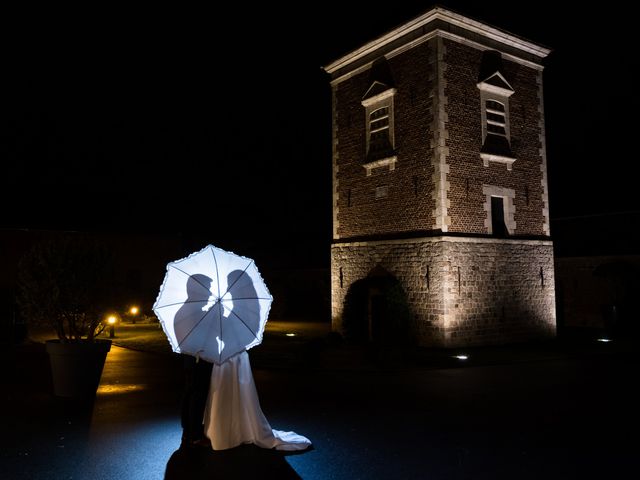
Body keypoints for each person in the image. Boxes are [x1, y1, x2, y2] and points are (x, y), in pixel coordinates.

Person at [203, 270, 312, 451]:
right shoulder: (238, 304)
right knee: (225, 393)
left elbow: (240, 333)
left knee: (232, 392)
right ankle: (225, 431)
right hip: (226, 356)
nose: (228, 287)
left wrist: (221, 318)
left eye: (230, 283)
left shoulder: (245, 306)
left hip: (233, 357)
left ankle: (232, 432)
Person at [174, 274, 215, 448]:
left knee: (190, 393)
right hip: (198, 359)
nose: (209, 293)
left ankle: (188, 430)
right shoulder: (194, 312)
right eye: (207, 289)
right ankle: (195, 435)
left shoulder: (188, 309)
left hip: (190, 360)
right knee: (197, 396)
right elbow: (202, 338)